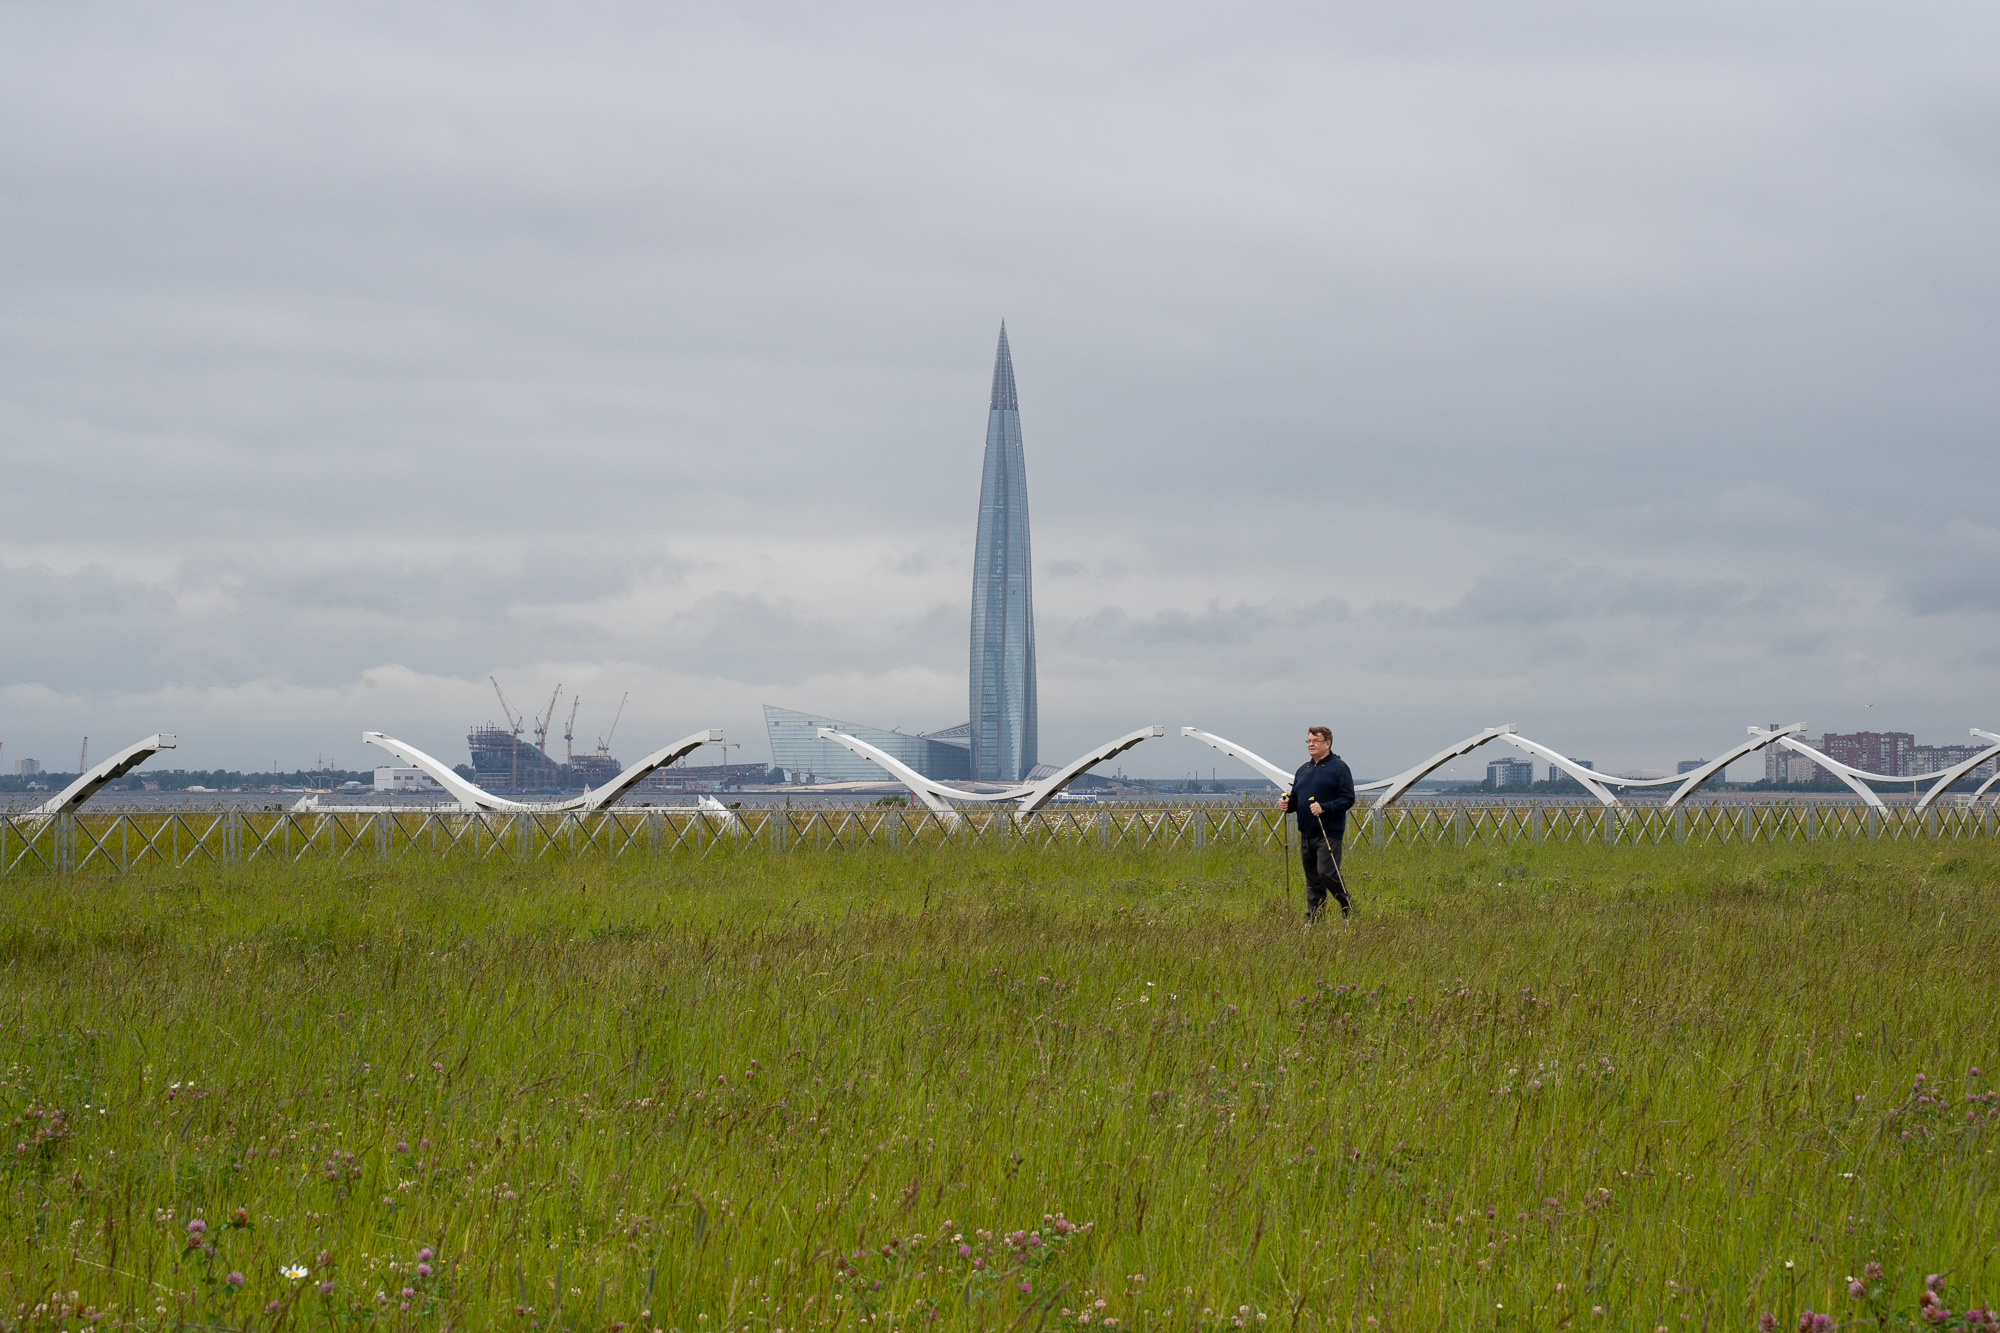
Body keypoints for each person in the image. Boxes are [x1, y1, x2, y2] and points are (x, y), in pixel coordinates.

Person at [1278, 725, 1355, 920]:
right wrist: (1287, 803)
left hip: (1328, 832)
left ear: (1327, 743)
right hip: (1307, 833)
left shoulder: (1339, 768)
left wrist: (1325, 807)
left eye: (1315, 741)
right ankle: (1313, 919)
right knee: (1313, 880)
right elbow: (1296, 798)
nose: (1311, 745)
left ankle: (1347, 906)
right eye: (1309, 741)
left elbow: (1348, 798)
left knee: (1326, 873)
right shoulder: (1303, 769)